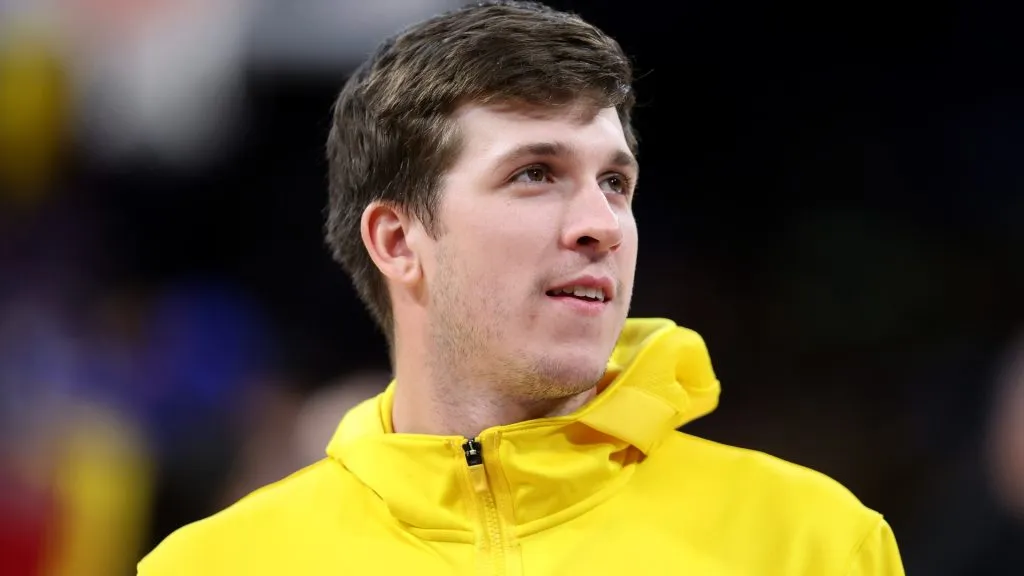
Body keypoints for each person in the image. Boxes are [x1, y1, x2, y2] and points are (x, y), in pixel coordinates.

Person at [138, 1, 905, 574]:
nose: (601, 224)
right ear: (398, 241)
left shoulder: (813, 544)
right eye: (535, 174)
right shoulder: (212, 567)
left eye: (615, 182)